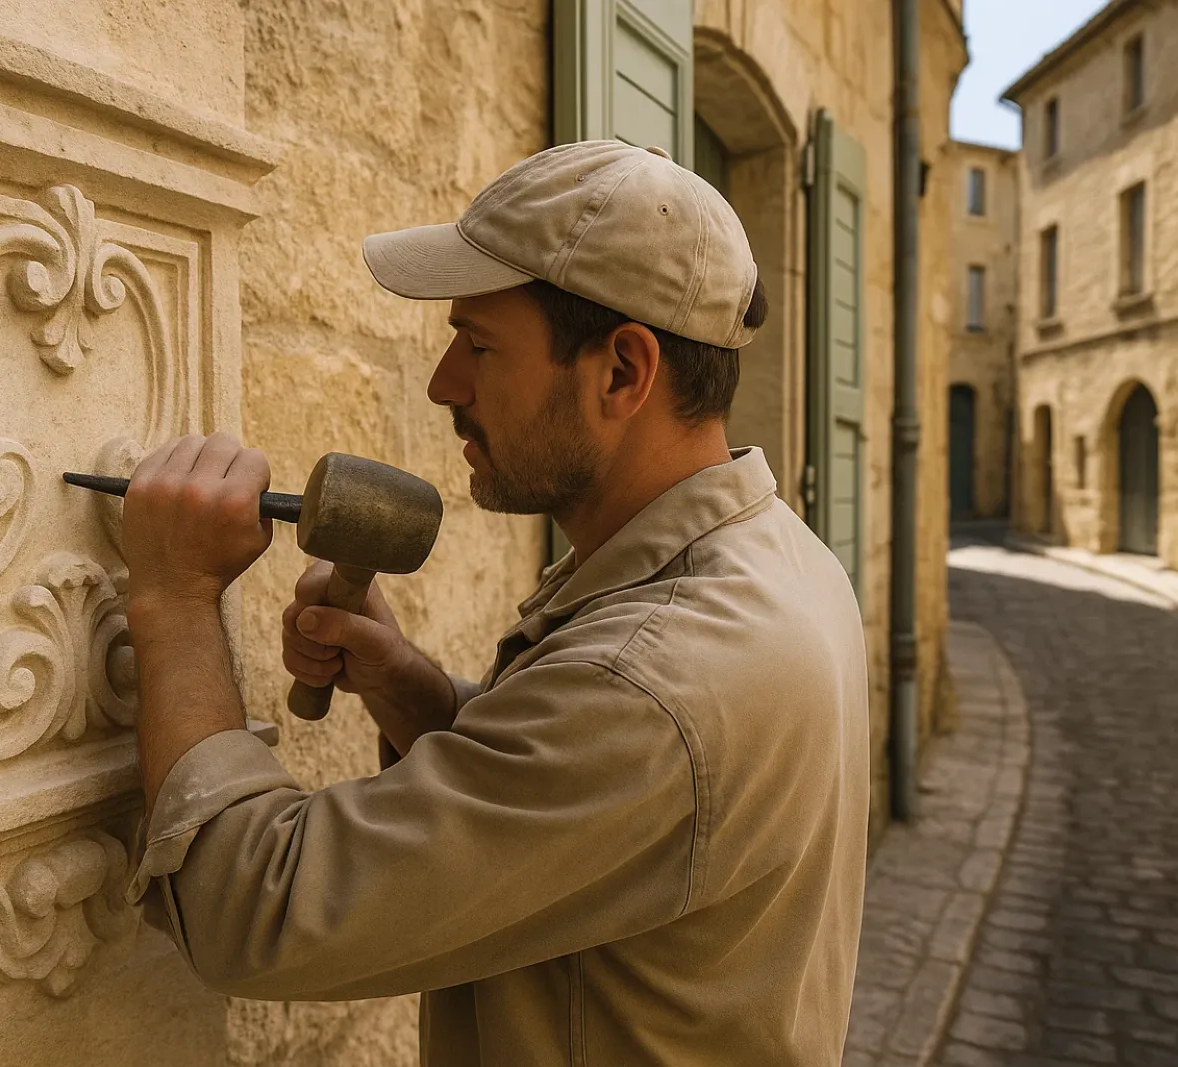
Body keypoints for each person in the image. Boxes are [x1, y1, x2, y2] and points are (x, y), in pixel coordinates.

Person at [117, 140, 870, 1067]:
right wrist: (416, 693)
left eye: (477, 346)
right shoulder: (781, 560)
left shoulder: (647, 680)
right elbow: (622, 813)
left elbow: (252, 910)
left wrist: (176, 597)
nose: (443, 385)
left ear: (623, 372)